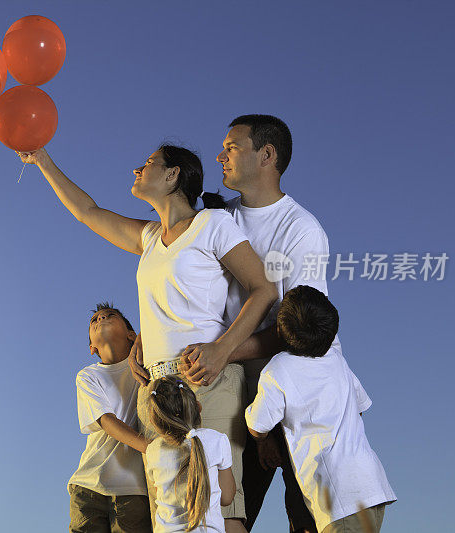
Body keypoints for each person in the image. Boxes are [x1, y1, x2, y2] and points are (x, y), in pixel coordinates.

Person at [19, 145, 278, 533]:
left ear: (173, 176)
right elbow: (87, 212)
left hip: (207, 380)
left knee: (222, 510)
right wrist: (42, 160)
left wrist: (223, 350)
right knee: (169, 515)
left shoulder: (212, 225)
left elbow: (263, 288)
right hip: (156, 392)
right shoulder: (150, 237)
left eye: (149, 164)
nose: (137, 168)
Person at [162, 114, 329, 532]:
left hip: (296, 403)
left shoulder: (301, 230)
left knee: (306, 520)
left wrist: (222, 352)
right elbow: (189, 292)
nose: (219, 156)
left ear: (267, 155)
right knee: (221, 516)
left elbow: (300, 332)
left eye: (232, 147)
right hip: (238, 398)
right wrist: (144, 342)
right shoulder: (216, 220)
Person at [245, 286, 396, 533]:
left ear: (280, 330)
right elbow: (360, 407)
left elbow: (257, 425)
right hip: (370, 484)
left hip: (339, 497)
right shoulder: (336, 359)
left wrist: (262, 441)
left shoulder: (278, 368)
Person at [68, 302, 152, 533]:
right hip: (88, 484)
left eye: (110, 315)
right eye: (94, 320)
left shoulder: (148, 363)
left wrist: (142, 342)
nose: (101, 319)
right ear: (92, 348)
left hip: (133, 489)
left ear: (131, 334)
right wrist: (152, 448)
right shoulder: (88, 376)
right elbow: (106, 421)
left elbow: (156, 326)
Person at [145, 375, 236, 533]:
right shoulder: (216, 440)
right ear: (198, 407)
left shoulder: (153, 450)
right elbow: (227, 497)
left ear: (155, 420)